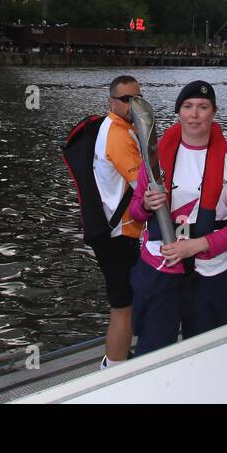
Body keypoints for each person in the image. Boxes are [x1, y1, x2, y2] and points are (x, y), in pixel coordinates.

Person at [127, 80, 227, 356]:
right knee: (152, 353)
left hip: (210, 271)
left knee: (207, 353)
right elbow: (135, 212)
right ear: (179, 112)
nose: (195, 114)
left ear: (214, 112)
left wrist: (195, 246)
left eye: (203, 107)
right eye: (188, 106)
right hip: (160, 267)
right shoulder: (155, 155)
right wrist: (147, 205)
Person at [90, 74, 146, 369]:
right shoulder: (119, 136)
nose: (131, 105)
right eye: (125, 100)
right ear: (111, 101)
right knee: (122, 307)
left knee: (128, 299)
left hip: (116, 230)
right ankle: (112, 369)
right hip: (117, 234)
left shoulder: (117, 127)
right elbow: (144, 186)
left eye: (137, 98)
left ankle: (119, 358)